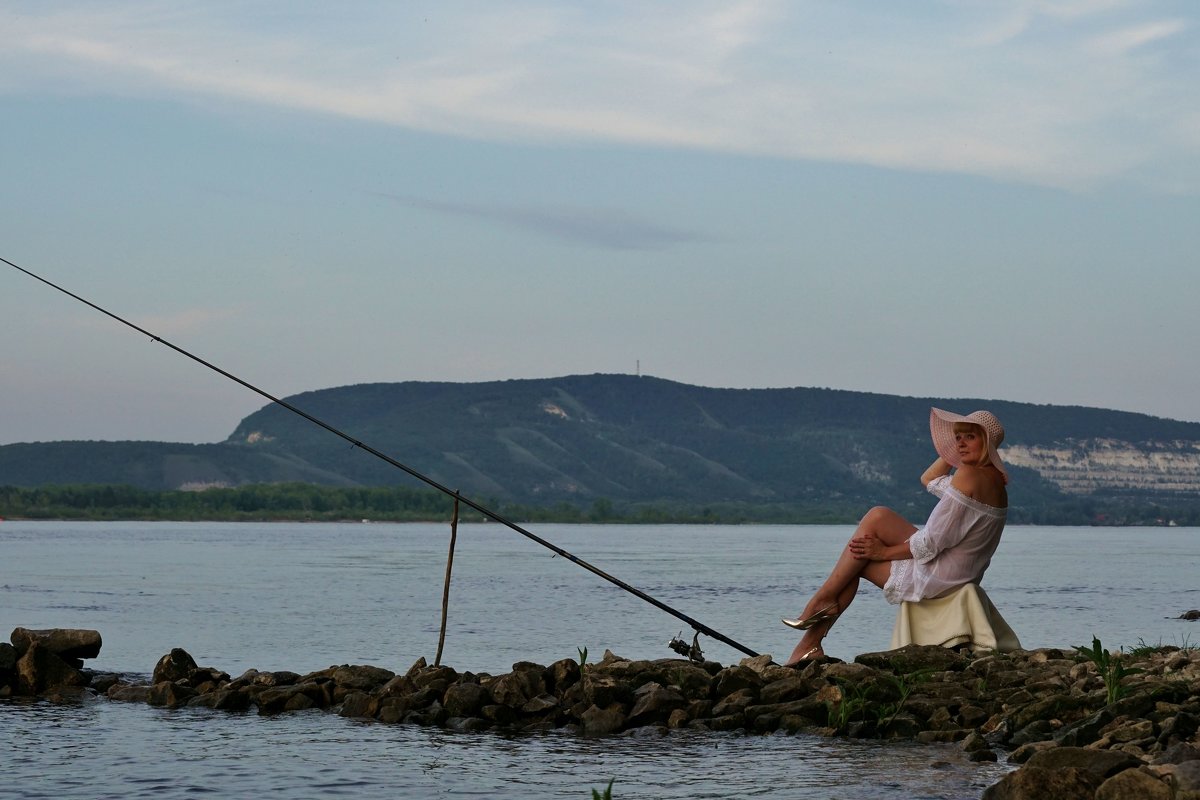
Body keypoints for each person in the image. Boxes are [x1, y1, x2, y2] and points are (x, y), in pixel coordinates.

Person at [782, 407, 1009, 666]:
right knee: (877, 516)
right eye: (958, 437)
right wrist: (952, 452)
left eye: (970, 437)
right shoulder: (993, 480)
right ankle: (820, 613)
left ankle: (816, 621)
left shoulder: (969, 475)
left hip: (944, 576)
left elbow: (930, 543)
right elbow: (929, 478)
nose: (960, 443)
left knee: (859, 560)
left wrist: (882, 553)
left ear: (987, 443)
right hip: (961, 569)